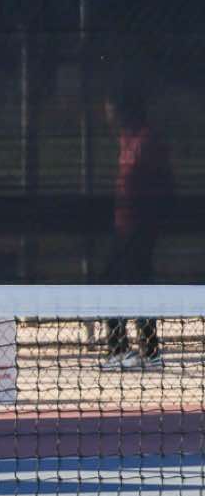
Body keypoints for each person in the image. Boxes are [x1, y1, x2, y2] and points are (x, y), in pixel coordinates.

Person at [100, 83, 171, 370]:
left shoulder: (146, 141)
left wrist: (147, 225)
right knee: (116, 283)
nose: (107, 115)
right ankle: (137, 350)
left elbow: (163, 184)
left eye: (111, 110)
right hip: (123, 228)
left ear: (124, 111)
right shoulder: (125, 140)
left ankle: (137, 351)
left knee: (129, 285)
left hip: (139, 230)